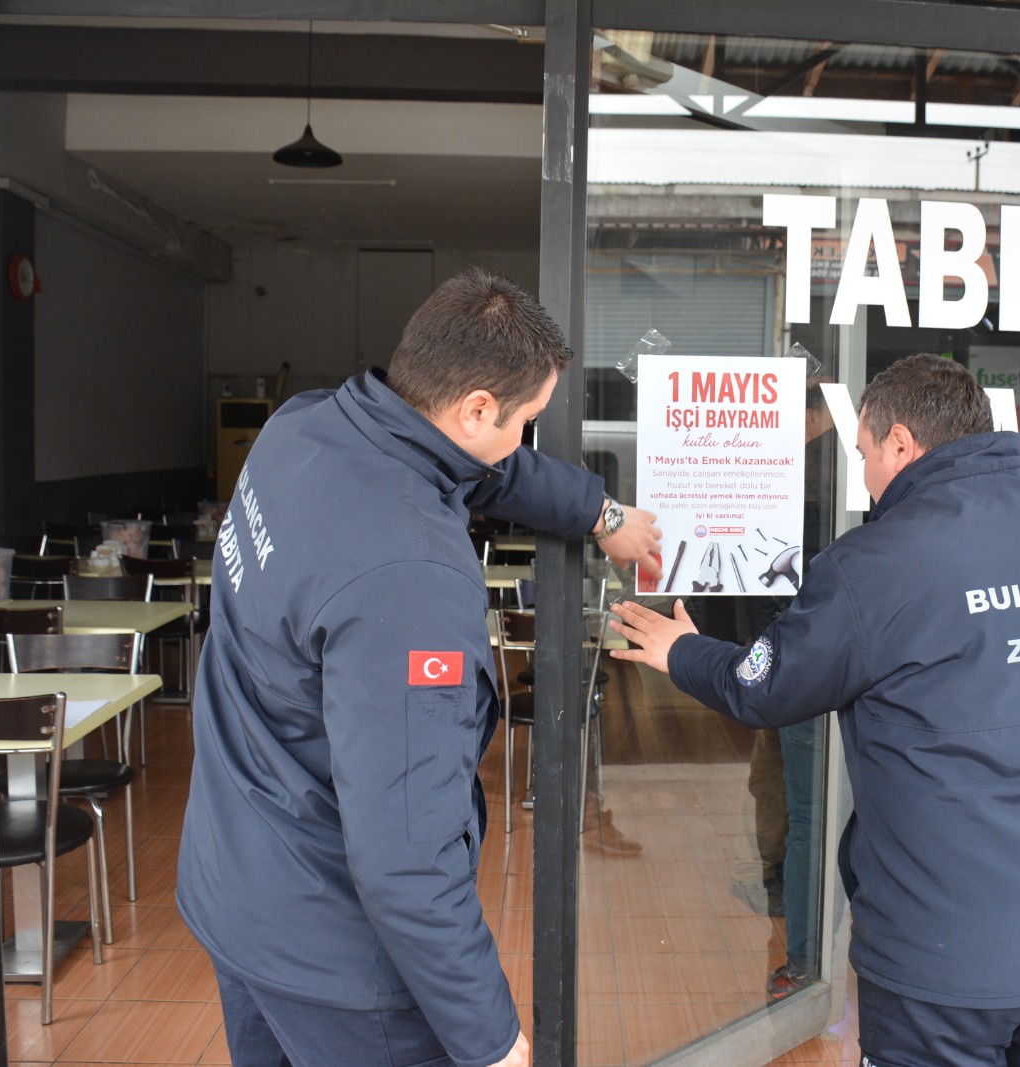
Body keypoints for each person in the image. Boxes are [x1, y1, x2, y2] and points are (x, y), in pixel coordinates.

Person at [609, 354, 1020, 1067]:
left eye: (866, 454)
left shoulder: (874, 565)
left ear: (901, 443)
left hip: (947, 958)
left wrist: (684, 650)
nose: (866, 477)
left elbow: (765, 687)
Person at [177, 268, 661, 1067]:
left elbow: (480, 464)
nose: (525, 438)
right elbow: (406, 856)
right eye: (528, 420)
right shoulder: (409, 582)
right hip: (334, 958)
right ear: (474, 407)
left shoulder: (302, 429)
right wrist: (493, 1041)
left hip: (235, 891)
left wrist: (599, 514)